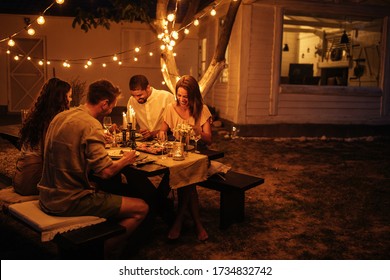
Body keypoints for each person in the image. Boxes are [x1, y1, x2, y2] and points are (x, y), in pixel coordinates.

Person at [38, 79, 149, 258]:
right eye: (112, 106)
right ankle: (98, 252)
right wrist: (126, 160)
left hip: (47, 195)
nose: (112, 109)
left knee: (111, 190)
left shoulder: (62, 116)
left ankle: (98, 238)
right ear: (104, 104)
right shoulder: (91, 125)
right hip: (68, 201)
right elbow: (106, 172)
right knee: (142, 207)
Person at [159, 75, 212, 242]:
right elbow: (163, 130)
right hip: (178, 153)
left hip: (198, 153)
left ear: (193, 95)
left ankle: (179, 221)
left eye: (185, 96)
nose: (182, 99)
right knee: (188, 183)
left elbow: (209, 139)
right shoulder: (170, 107)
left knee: (187, 181)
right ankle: (197, 224)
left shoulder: (202, 109)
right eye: (179, 95)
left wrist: (197, 129)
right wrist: (162, 133)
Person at [13, 78, 72, 196]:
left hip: (20, 177)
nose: (71, 100)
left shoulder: (37, 115)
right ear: (61, 99)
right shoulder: (51, 120)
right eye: (69, 96)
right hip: (32, 180)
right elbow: (50, 155)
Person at [127, 74, 175, 140]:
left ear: (148, 88)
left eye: (139, 95)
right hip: (144, 142)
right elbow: (129, 124)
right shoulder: (131, 100)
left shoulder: (166, 97)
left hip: (166, 140)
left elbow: (174, 125)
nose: (136, 99)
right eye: (133, 95)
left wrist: (153, 133)